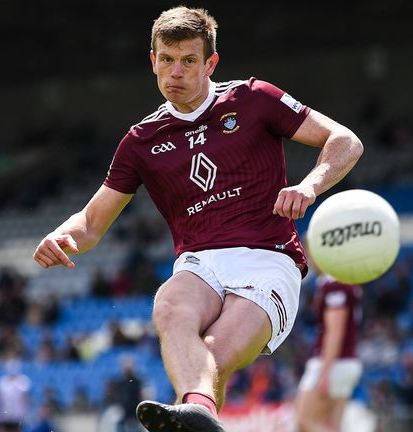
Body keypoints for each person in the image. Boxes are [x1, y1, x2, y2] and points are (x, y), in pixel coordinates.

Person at [32, 6, 363, 432]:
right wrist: (62, 236)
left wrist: (310, 185)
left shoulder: (253, 98)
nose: (176, 71)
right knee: (170, 306)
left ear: (211, 63)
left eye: (189, 61)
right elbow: (92, 223)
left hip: (270, 258)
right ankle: (201, 414)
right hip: (199, 263)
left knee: (214, 355)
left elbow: (345, 140)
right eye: (166, 60)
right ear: (152, 61)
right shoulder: (141, 141)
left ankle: (198, 409)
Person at [295, 269, 363, 432]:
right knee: (331, 425)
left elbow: (335, 331)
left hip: (333, 363)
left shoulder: (335, 285)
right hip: (346, 361)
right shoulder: (343, 282)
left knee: (304, 420)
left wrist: (325, 372)